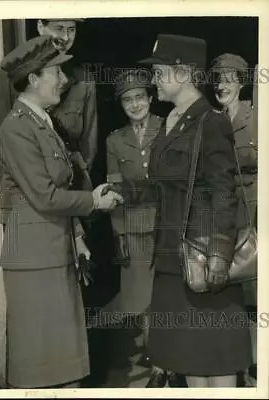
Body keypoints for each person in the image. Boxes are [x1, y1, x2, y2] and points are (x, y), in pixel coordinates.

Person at [108, 34, 252, 388]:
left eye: (158, 71)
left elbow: (223, 195)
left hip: (203, 265)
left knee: (216, 366)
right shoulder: (172, 120)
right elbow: (164, 186)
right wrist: (118, 192)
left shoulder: (210, 121)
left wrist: (215, 263)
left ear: (183, 73)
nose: (154, 78)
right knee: (187, 364)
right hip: (172, 263)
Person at [0, 35, 123, 389]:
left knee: (66, 372)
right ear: (33, 79)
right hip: (35, 263)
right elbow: (46, 196)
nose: (65, 80)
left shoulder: (42, 123)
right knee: (43, 373)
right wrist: (93, 202)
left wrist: (79, 231)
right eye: (56, 72)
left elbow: (60, 188)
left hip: (54, 252)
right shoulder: (17, 128)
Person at [0, 18, 97, 204]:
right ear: (40, 26)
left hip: (71, 198)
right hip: (26, 199)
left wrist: (76, 194)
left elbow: (88, 146)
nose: (65, 37)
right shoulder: (12, 76)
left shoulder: (84, 80)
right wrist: (9, 198)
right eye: (59, 28)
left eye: (72, 29)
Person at [106, 69, 162, 368]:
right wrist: (119, 234)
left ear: (151, 98)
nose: (135, 104)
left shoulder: (168, 129)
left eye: (140, 97)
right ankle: (155, 359)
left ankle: (171, 358)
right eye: (128, 100)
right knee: (142, 298)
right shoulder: (114, 141)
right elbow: (114, 191)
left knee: (169, 294)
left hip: (167, 225)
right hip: (135, 227)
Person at [210, 54, 258, 386]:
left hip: (253, 209)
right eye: (218, 79)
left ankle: (255, 363)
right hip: (221, 211)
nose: (222, 85)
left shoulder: (257, 116)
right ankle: (234, 363)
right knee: (227, 289)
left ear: (241, 82)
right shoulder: (209, 120)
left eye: (229, 78)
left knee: (255, 289)